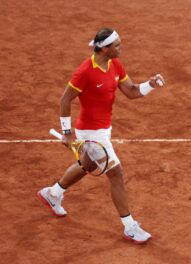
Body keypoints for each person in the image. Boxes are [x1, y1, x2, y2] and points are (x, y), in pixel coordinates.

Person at [37, 28, 165, 244]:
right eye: (117, 45)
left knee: (86, 165)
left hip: (104, 128)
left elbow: (132, 91)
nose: (120, 48)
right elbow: (65, 100)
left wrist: (150, 85)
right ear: (105, 48)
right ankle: (129, 226)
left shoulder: (115, 64)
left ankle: (53, 193)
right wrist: (67, 133)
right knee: (116, 173)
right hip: (90, 132)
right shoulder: (85, 71)